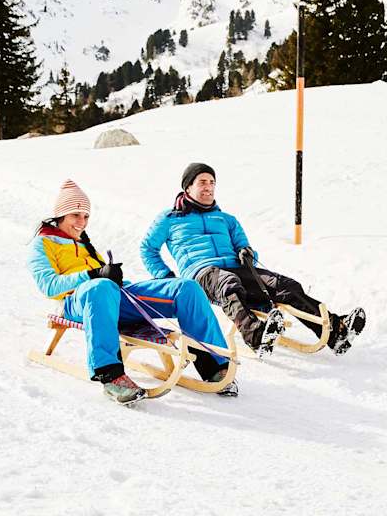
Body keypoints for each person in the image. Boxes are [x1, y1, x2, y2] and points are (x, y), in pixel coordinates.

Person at [28, 178, 236, 405]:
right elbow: (48, 286)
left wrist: (111, 275)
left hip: (112, 296)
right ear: (60, 215)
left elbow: (105, 282)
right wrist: (94, 275)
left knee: (186, 288)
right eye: (75, 215)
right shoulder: (43, 244)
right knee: (101, 287)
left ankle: (216, 365)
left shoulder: (85, 244)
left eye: (86, 216)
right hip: (76, 303)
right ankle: (110, 375)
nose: (82, 222)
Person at [140, 163, 366, 358]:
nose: (208, 187)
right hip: (202, 273)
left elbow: (245, 247)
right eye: (202, 182)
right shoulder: (170, 219)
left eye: (211, 182)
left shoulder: (226, 219)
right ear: (188, 186)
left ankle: (336, 330)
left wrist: (247, 253)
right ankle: (255, 334)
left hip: (237, 267)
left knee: (285, 286)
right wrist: (167, 278)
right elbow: (147, 249)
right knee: (228, 284)